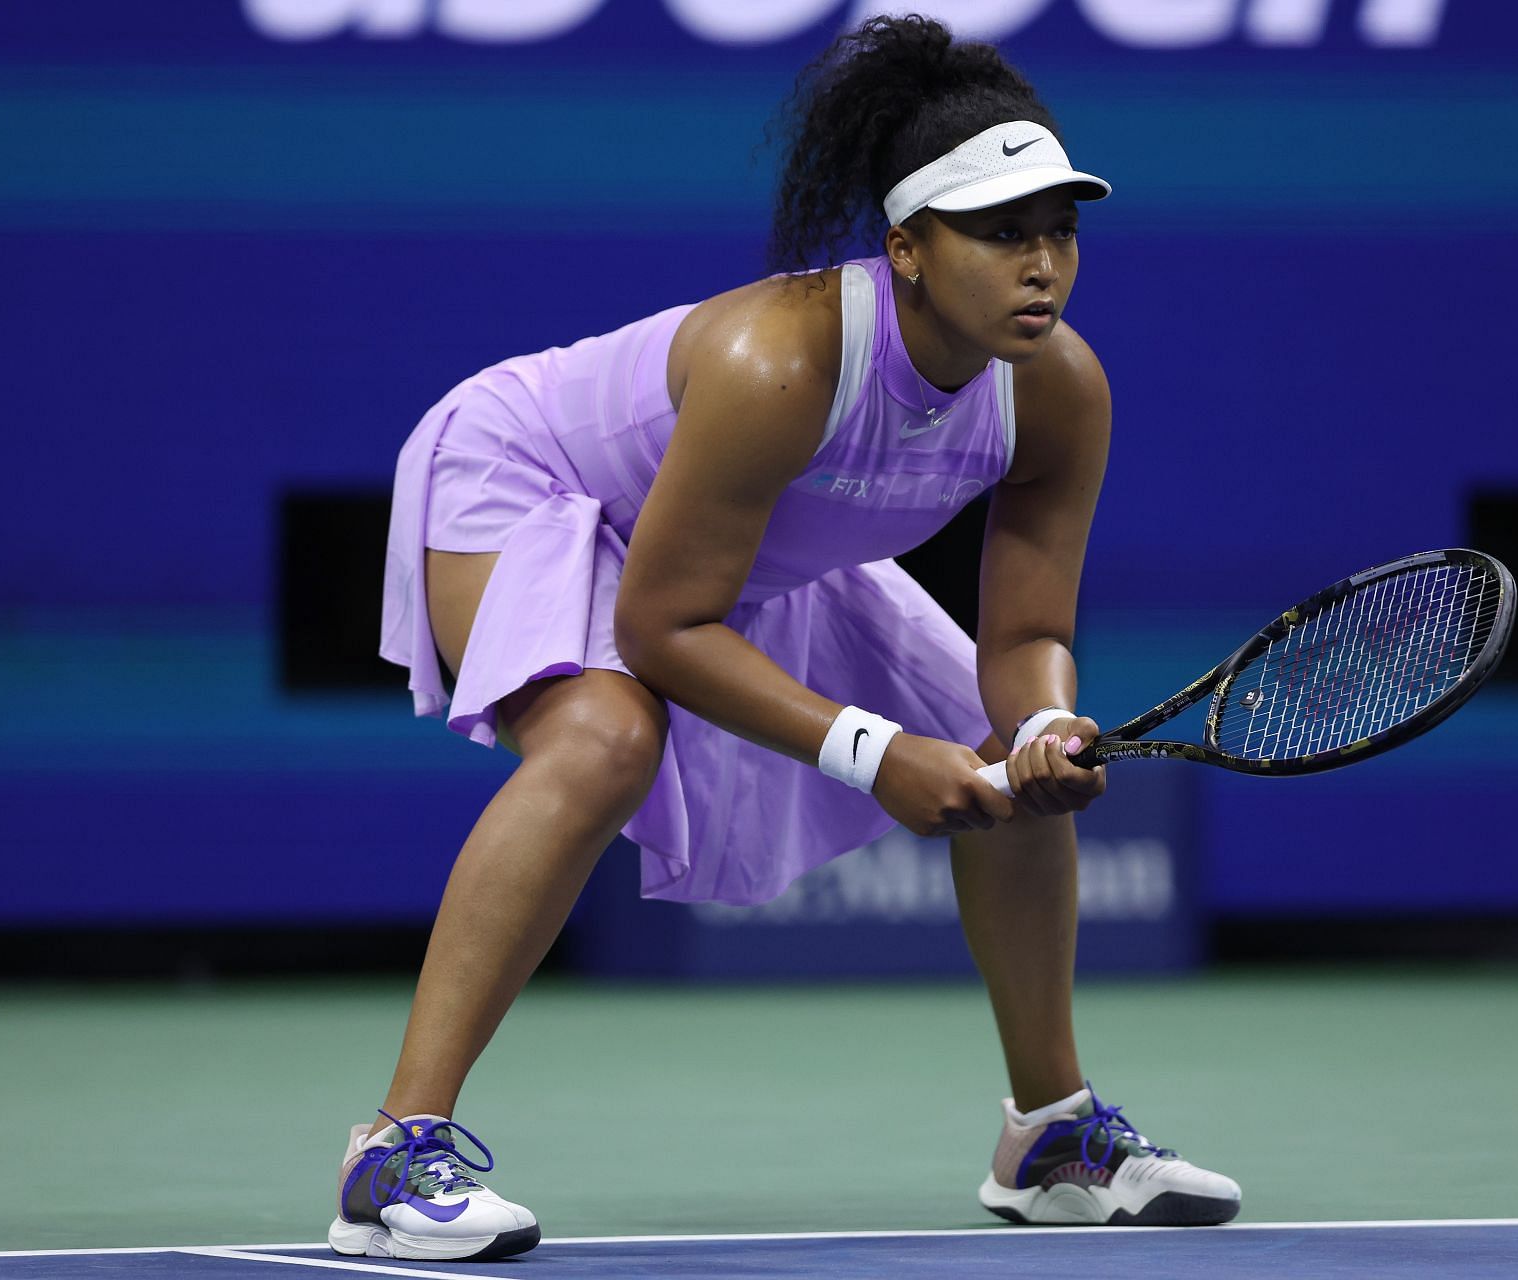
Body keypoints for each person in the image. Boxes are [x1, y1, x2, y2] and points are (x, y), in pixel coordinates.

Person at [339, 14, 1241, 1263]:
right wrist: (878, 753)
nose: (1041, 263)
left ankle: (1050, 1135)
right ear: (909, 249)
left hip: (752, 545)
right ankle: (392, 1155)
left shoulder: (1060, 390)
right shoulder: (783, 358)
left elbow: (1028, 626)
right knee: (606, 737)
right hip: (533, 479)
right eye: (1000, 231)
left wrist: (1038, 725)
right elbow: (663, 624)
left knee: (1014, 776)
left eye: (1060, 230)